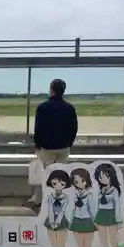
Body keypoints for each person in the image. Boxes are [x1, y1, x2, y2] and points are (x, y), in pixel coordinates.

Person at [24, 79, 78, 209]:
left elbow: (39, 128)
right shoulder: (70, 108)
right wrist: (69, 143)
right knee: (60, 175)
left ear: (51, 89)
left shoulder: (43, 107)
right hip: (64, 147)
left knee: (42, 174)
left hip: (47, 147)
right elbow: (74, 128)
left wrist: (38, 145)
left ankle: (38, 199)